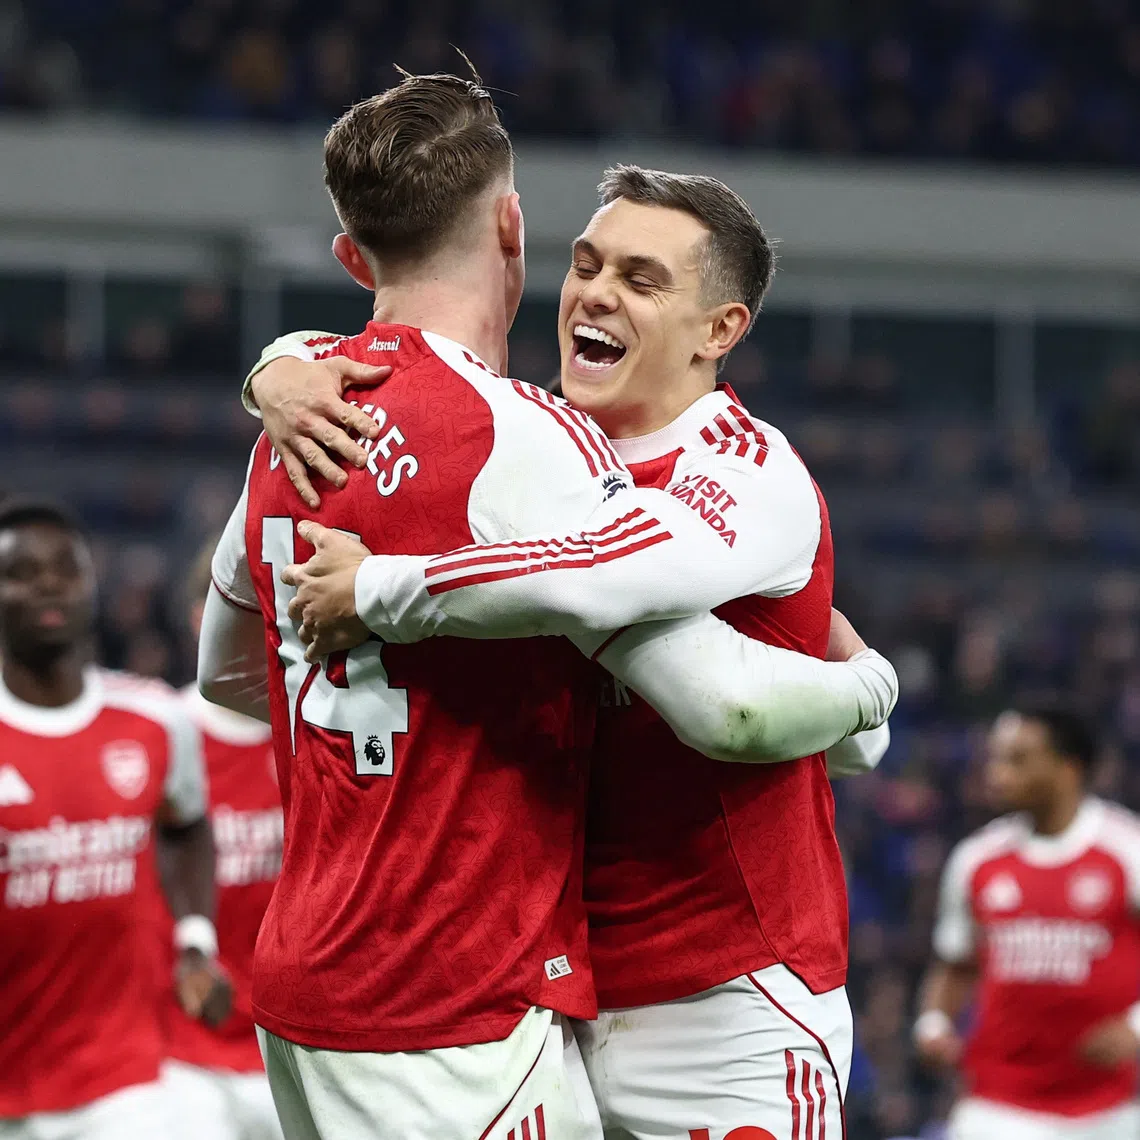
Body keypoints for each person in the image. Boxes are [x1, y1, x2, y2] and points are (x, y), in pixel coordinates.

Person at [200, 74, 895, 1140]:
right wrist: (276, 368)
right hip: (545, 985)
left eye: (641, 279)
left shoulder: (741, 470)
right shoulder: (534, 440)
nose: (596, 294)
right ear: (517, 235)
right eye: (588, 264)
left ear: (721, 327)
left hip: (723, 996)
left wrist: (870, 695)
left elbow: (728, 702)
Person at [0, 497, 230, 1139]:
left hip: (124, 1084)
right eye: (22, 573)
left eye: (65, 570)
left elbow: (187, 827)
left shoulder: (155, 720)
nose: (49, 585)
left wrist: (195, 942)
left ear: (91, 585)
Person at [916, 705, 1140, 1140]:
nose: (997, 774)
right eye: (996, 759)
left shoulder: (1126, 850)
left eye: (1017, 760)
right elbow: (956, 963)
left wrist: (1135, 1026)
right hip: (997, 1105)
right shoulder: (977, 860)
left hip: (1107, 1107)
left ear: (1069, 767)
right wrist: (934, 1025)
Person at [160, 541, 284, 1140]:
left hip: (296, 1048)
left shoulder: (318, 732)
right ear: (200, 619)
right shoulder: (162, 735)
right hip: (182, 1057)